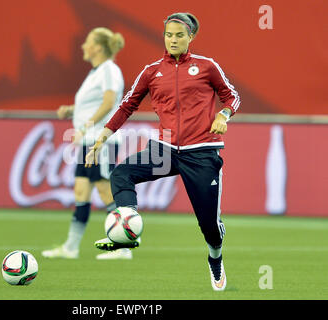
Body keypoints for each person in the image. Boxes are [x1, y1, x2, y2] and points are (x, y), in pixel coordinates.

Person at [85, 13, 240, 290]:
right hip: (164, 150)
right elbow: (126, 105)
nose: (173, 40)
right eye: (169, 35)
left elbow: (231, 96)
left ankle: (215, 256)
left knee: (210, 229)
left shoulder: (207, 66)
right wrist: (102, 137)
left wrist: (223, 115)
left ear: (190, 37)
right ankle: (128, 227)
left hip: (202, 152)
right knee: (122, 173)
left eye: (179, 35)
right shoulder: (152, 71)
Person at [41, 27, 132, 260]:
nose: (83, 46)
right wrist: (72, 110)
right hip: (89, 141)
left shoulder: (109, 69)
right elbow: (93, 104)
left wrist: (86, 125)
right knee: (81, 190)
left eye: (88, 42)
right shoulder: (96, 72)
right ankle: (71, 247)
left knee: (105, 191)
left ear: (98, 47)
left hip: (101, 140)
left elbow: (110, 102)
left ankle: (123, 246)